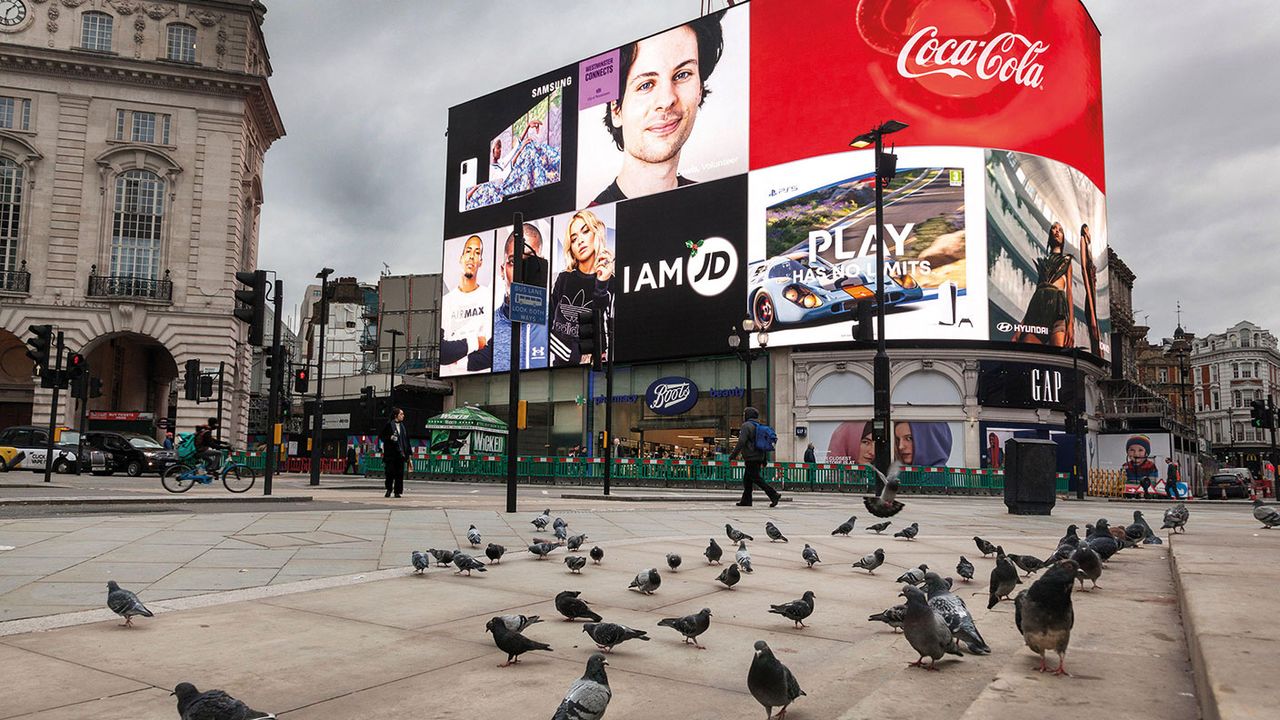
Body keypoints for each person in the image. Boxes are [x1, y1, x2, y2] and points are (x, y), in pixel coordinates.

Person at [592, 12, 725, 205]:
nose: (667, 99)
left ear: (699, 89)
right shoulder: (592, 217)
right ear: (616, 110)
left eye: (682, 75)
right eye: (645, 85)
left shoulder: (718, 205)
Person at [549, 210, 614, 366]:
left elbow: (603, 330)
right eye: (574, 238)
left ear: (595, 233)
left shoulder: (610, 281)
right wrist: (573, 354)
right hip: (560, 371)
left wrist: (601, 283)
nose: (580, 241)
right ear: (570, 246)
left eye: (585, 231)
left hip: (597, 372)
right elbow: (546, 324)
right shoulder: (564, 279)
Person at [492, 223, 550, 371]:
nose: (521, 271)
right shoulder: (489, 326)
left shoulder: (555, 319)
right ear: (502, 270)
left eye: (529, 261)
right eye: (513, 262)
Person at [1012, 222, 1074, 347]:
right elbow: (1036, 295)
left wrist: (1071, 325)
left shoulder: (1067, 261)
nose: (1056, 231)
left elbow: (1069, 292)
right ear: (1050, 234)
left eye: (1060, 230)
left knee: (1059, 356)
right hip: (1038, 307)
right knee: (1028, 350)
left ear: (1063, 237)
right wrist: (1021, 326)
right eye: (1054, 229)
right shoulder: (1043, 264)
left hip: (1058, 308)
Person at [439, 235, 492, 373]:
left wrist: (458, 360)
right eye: (468, 251)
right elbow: (442, 352)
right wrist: (476, 342)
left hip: (485, 380)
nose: (472, 256)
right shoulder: (446, 302)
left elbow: (492, 351)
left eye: (477, 252)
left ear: (481, 261)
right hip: (450, 382)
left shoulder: (489, 297)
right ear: (461, 257)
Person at [729, 406, 780, 507]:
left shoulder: (746, 426)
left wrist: (733, 455)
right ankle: (746, 500)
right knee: (747, 479)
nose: (744, 416)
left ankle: (773, 494)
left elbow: (741, 441)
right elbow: (762, 444)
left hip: (751, 457)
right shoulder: (758, 426)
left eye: (745, 414)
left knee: (756, 478)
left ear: (748, 415)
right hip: (758, 456)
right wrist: (764, 459)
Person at [1078, 223, 1102, 357]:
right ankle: (1095, 354)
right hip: (1090, 291)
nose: (1089, 232)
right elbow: (1083, 269)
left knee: (1095, 327)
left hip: (1092, 290)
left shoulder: (1089, 248)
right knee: (1093, 324)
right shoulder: (1082, 241)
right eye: (1087, 230)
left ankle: (1097, 354)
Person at [380, 407, 409, 498]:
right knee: (389, 472)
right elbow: (382, 436)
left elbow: (406, 440)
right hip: (391, 454)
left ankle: (397, 491)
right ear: (396, 415)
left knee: (399, 474)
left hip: (400, 454)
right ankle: (389, 489)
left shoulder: (403, 427)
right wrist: (390, 437)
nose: (403, 416)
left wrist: (408, 454)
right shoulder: (389, 425)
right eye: (401, 414)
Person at [1122, 435, 1158, 499]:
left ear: (1146, 453)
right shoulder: (1126, 466)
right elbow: (1122, 480)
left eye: (1140, 450)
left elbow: (1152, 482)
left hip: (1144, 491)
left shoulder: (1150, 466)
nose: (1136, 454)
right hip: (1130, 491)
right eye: (1132, 450)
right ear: (1127, 452)